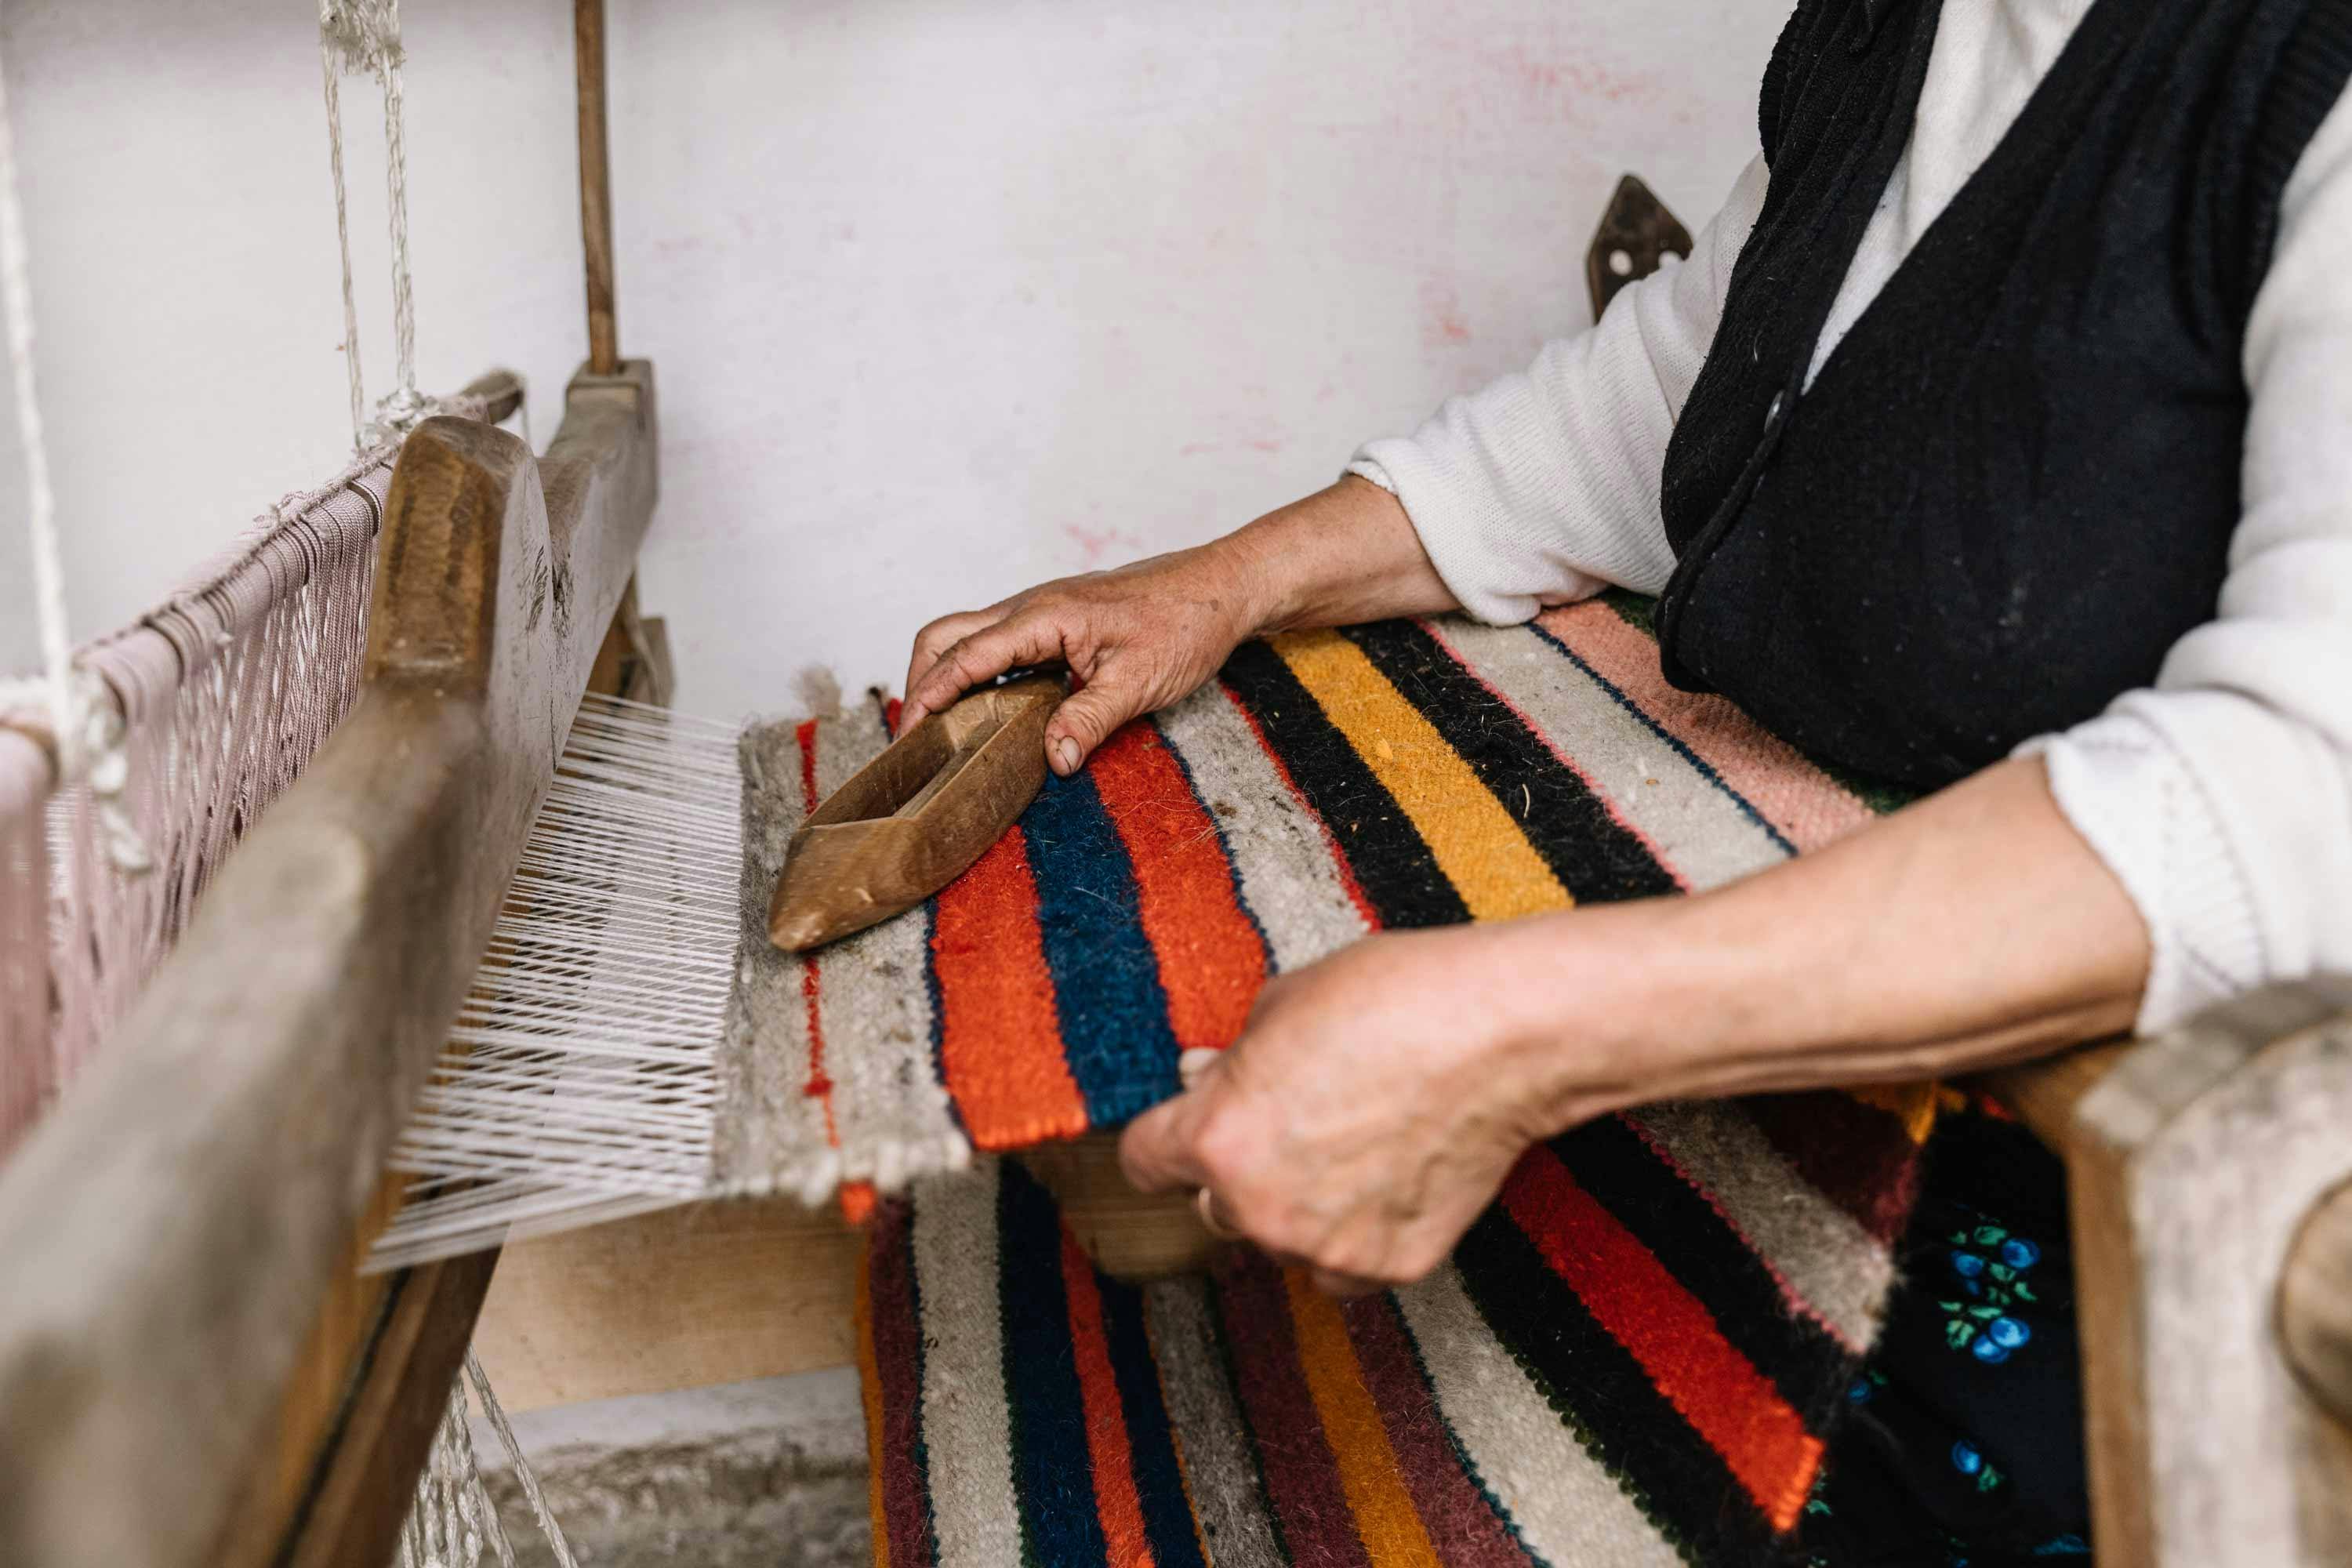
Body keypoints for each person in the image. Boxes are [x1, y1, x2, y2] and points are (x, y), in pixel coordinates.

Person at [901, 0, 2350, 1554]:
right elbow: (1719, 373)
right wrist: (1232, 580)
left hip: (2194, 1203)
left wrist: (1515, 1032)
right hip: (1897, 1095)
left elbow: (2300, 790)